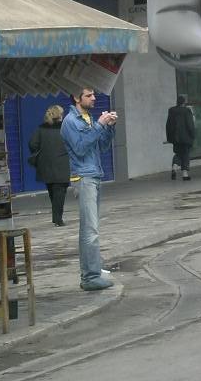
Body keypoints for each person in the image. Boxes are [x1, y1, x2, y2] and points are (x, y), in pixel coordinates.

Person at [61, 88, 118, 292]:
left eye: (94, 95)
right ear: (77, 98)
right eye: (89, 95)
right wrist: (100, 125)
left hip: (93, 175)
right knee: (90, 230)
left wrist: (109, 127)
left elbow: (101, 146)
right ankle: (91, 276)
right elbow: (80, 148)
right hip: (83, 177)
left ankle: (91, 273)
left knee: (90, 228)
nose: (94, 98)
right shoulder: (70, 121)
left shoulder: (88, 119)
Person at [28, 104, 70, 226]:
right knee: (60, 192)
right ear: (60, 115)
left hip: (45, 165)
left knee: (52, 191)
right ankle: (58, 219)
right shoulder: (66, 129)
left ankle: (56, 217)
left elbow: (32, 144)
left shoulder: (41, 129)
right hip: (62, 164)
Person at [165, 94, 195, 181]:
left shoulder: (171, 110)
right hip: (186, 138)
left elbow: (168, 125)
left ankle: (174, 167)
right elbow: (190, 125)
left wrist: (169, 138)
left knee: (178, 154)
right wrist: (193, 135)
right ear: (184, 102)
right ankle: (185, 174)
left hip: (175, 138)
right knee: (185, 154)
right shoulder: (187, 111)